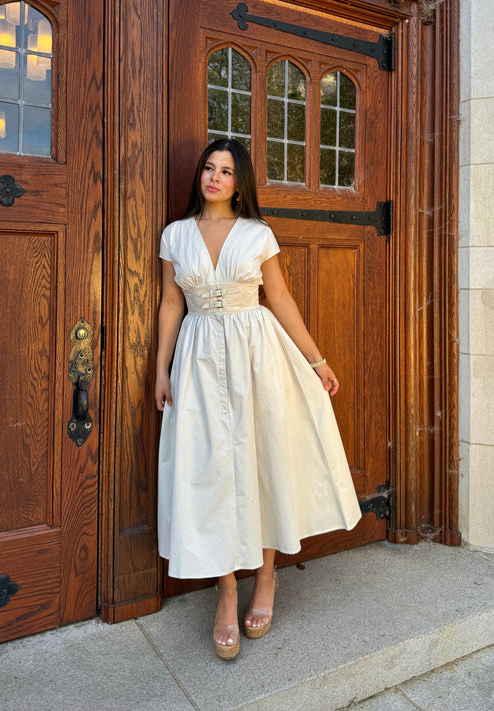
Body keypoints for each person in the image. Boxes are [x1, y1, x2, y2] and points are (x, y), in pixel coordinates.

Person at [155, 138, 361, 660]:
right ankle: (226, 589)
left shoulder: (257, 234)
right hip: (198, 358)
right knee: (212, 469)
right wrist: (161, 368)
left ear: (238, 181)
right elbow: (170, 302)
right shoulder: (176, 235)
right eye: (208, 168)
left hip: (258, 355)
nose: (215, 177)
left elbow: (281, 297)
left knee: (264, 458)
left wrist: (316, 359)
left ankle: (266, 577)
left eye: (226, 171)